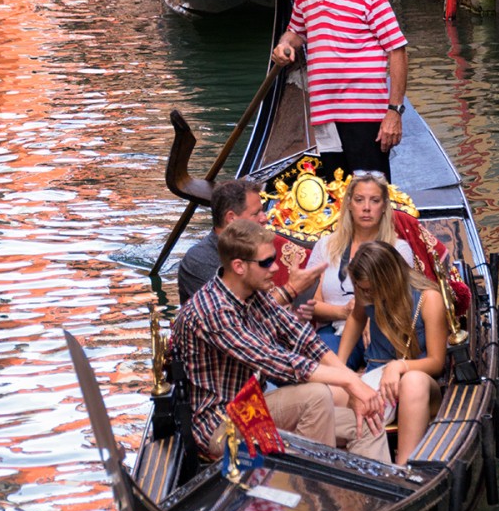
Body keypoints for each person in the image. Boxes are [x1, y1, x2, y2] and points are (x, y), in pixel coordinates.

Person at [172, 219, 390, 463]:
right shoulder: (213, 311)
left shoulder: (254, 295)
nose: (276, 268)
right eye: (266, 262)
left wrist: (354, 386)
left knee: (370, 422)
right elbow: (275, 360)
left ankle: (375, 495)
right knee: (316, 395)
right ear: (239, 266)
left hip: (256, 406)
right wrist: (351, 381)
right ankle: (317, 486)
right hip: (221, 425)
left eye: (274, 258)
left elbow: (303, 338)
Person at [271, 0, 408, 182]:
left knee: (371, 194)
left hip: (365, 114)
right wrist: (284, 44)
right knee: (337, 194)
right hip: (324, 112)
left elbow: (397, 50)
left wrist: (394, 111)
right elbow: (297, 31)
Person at [338, 240, 448, 465]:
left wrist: (398, 367)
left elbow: (437, 362)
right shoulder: (365, 291)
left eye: (368, 289)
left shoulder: (429, 299)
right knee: (326, 391)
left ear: (387, 281)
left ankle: (403, 468)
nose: (363, 294)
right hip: (375, 381)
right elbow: (357, 318)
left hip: (421, 385)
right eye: (361, 289)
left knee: (413, 382)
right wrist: (340, 370)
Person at [307, 171, 414, 353]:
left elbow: (403, 299)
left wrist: (371, 316)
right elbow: (311, 303)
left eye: (374, 200)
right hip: (335, 330)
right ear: (349, 204)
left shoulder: (398, 249)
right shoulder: (326, 246)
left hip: (384, 329)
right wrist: (346, 311)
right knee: (326, 363)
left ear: (384, 206)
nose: (366, 207)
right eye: (359, 200)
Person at [178, 177, 325, 308]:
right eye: (256, 213)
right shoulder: (199, 261)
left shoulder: (260, 249)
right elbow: (232, 318)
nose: (264, 218)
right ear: (231, 218)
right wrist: (290, 290)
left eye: (263, 211)